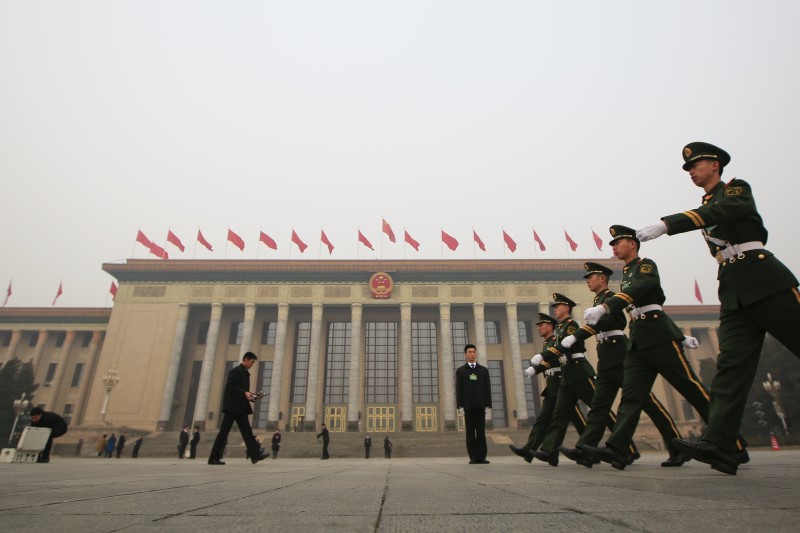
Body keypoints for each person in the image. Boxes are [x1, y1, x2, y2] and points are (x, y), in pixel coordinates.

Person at [635, 141, 800, 475]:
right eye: (689, 168)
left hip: (766, 281)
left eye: (696, 165)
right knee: (730, 370)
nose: (691, 172)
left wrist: (669, 224)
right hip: (734, 291)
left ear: (714, 164)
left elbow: (722, 213)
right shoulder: (707, 203)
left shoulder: (736, 190)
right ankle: (721, 444)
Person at [580, 225, 745, 472]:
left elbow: (647, 300)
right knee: (632, 397)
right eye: (612, 243)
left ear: (633, 244)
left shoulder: (646, 266)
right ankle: (617, 447)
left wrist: (676, 336)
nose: (613, 247)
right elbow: (641, 309)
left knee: (692, 389)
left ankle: (735, 444)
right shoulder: (626, 273)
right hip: (638, 340)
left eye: (618, 242)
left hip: (658, 337)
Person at [558, 263, 689, 468]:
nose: (588, 281)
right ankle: (586, 449)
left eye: (591, 277)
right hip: (607, 359)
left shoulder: (612, 299)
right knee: (599, 406)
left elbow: (607, 322)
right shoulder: (598, 300)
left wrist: (577, 335)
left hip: (621, 356)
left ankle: (676, 447)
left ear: (602, 278)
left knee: (648, 403)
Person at [530, 293, 622, 467]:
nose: (555, 310)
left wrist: (542, 357)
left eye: (557, 307)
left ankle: (625, 446)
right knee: (559, 415)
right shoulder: (559, 329)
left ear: (567, 308)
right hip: (567, 374)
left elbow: (562, 347)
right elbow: (558, 349)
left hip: (579, 371)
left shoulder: (571, 326)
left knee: (598, 408)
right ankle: (550, 451)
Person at [509, 312, 588, 463]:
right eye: (538, 326)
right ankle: (532, 449)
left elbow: (557, 358)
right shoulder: (547, 343)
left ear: (550, 327)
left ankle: (587, 447)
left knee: (576, 420)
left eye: (541, 325)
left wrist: (539, 366)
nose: (539, 328)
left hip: (562, 384)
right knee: (543, 420)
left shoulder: (555, 341)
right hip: (553, 388)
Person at [208, 352, 269, 465]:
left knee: (247, 432)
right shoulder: (236, 371)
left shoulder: (245, 373)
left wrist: (254, 396)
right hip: (232, 407)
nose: (252, 364)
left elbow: (242, 391)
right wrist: (244, 393)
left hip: (240, 408)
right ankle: (213, 458)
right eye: (251, 362)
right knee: (223, 433)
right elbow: (231, 386)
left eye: (253, 363)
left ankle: (255, 455)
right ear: (245, 360)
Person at [455, 343, 492, 464]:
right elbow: (459, 389)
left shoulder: (483, 370)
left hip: (480, 406)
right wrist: (460, 405)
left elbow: (487, 388)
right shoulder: (461, 371)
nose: (472, 354)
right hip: (468, 407)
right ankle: (473, 457)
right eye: (469, 352)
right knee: (470, 432)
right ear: (465, 355)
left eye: (473, 352)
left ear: (476, 354)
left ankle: (482, 456)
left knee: (481, 432)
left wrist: (488, 404)